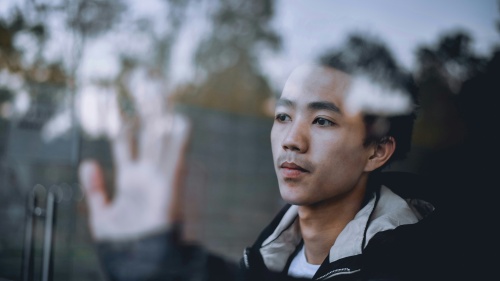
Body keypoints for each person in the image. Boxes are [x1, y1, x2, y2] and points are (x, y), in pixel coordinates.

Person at [78, 42, 441, 281]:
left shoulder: (418, 261)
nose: (291, 140)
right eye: (283, 116)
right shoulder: (268, 254)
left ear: (377, 151)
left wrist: (179, 270)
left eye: (323, 121)